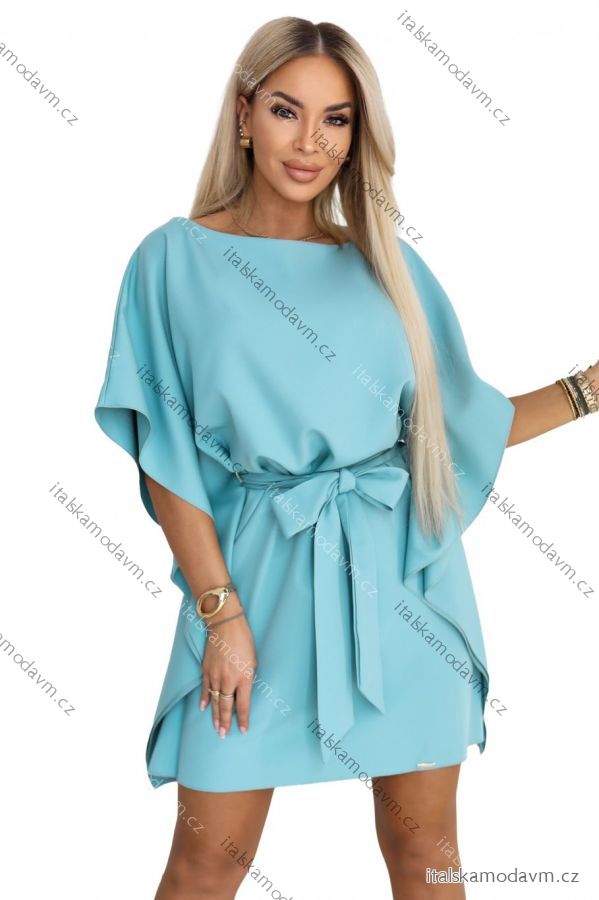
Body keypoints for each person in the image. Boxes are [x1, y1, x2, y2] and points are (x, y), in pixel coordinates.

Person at [94, 16, 598, 900]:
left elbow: (458, 429)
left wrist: (586, 389)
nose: (310, 142)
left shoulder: (385, 267)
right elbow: (163, 459)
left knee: (424, 855)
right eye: (286, 110)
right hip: (249, 590)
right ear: (243, 113)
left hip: (401, 593)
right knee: (207, 864)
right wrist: (219, 614)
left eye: (336, 120)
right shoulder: (172, 261)